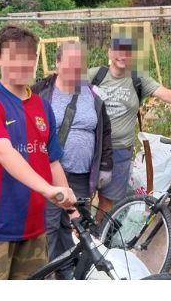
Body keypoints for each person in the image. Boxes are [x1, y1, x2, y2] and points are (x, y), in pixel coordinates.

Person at [0, 25, 77, 280]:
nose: (22, 64)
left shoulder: (42, 106)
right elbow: (3, 152)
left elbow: (52, 161)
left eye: (29, 57)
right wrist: (47, 190)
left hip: (33, 229)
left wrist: (72, 210)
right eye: (13, 57)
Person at [89, 34, 171, 212]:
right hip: (92, 148)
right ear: (110, 52)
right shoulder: (95, 75)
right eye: (118, 51)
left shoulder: (137, 79)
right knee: (83, 198)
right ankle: (78, 237)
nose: (123, 56)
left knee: (107, 201)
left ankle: (98, 236)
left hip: (119, 151)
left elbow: (165, 93)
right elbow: (66, 92)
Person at [33, 41, 113, 276]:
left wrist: (105, 166)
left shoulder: (92, 94)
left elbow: (104, 132)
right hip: (48, 174)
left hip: (81, 175)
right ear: (57, 64)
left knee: (72, 227)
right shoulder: (41, 92)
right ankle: (44, 274)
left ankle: (67, 273)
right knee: (49, 226)